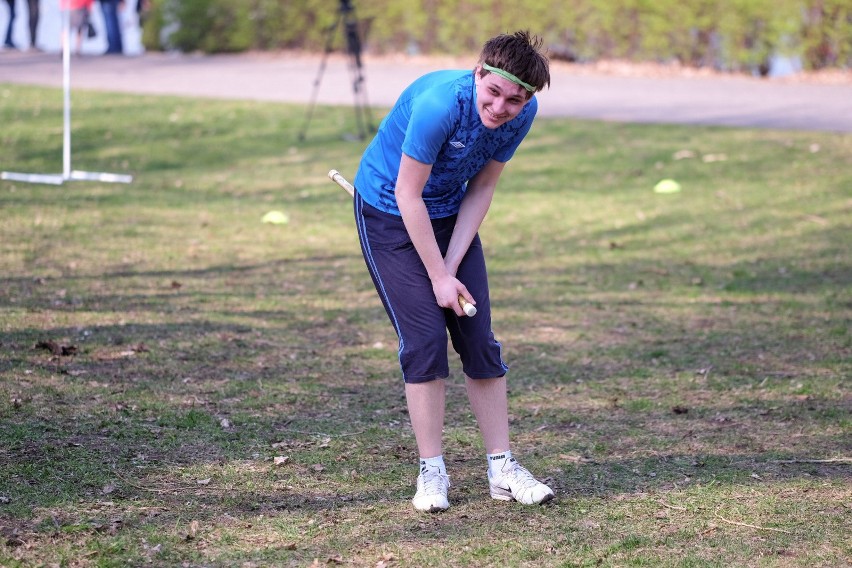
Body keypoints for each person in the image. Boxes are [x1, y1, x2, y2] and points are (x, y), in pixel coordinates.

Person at [352, 30, 554, 512]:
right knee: (424, 341)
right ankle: (432, 472)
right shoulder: (441, 105)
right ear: (478, 72)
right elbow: (407, 195)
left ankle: (502, 468)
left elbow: (482, 188)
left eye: (516, 99)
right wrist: (438, 278)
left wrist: (452, 264)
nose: (502, 107)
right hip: (389, 211)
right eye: (494, 92)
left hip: (448, 212)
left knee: (477, 336)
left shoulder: (522, 114)